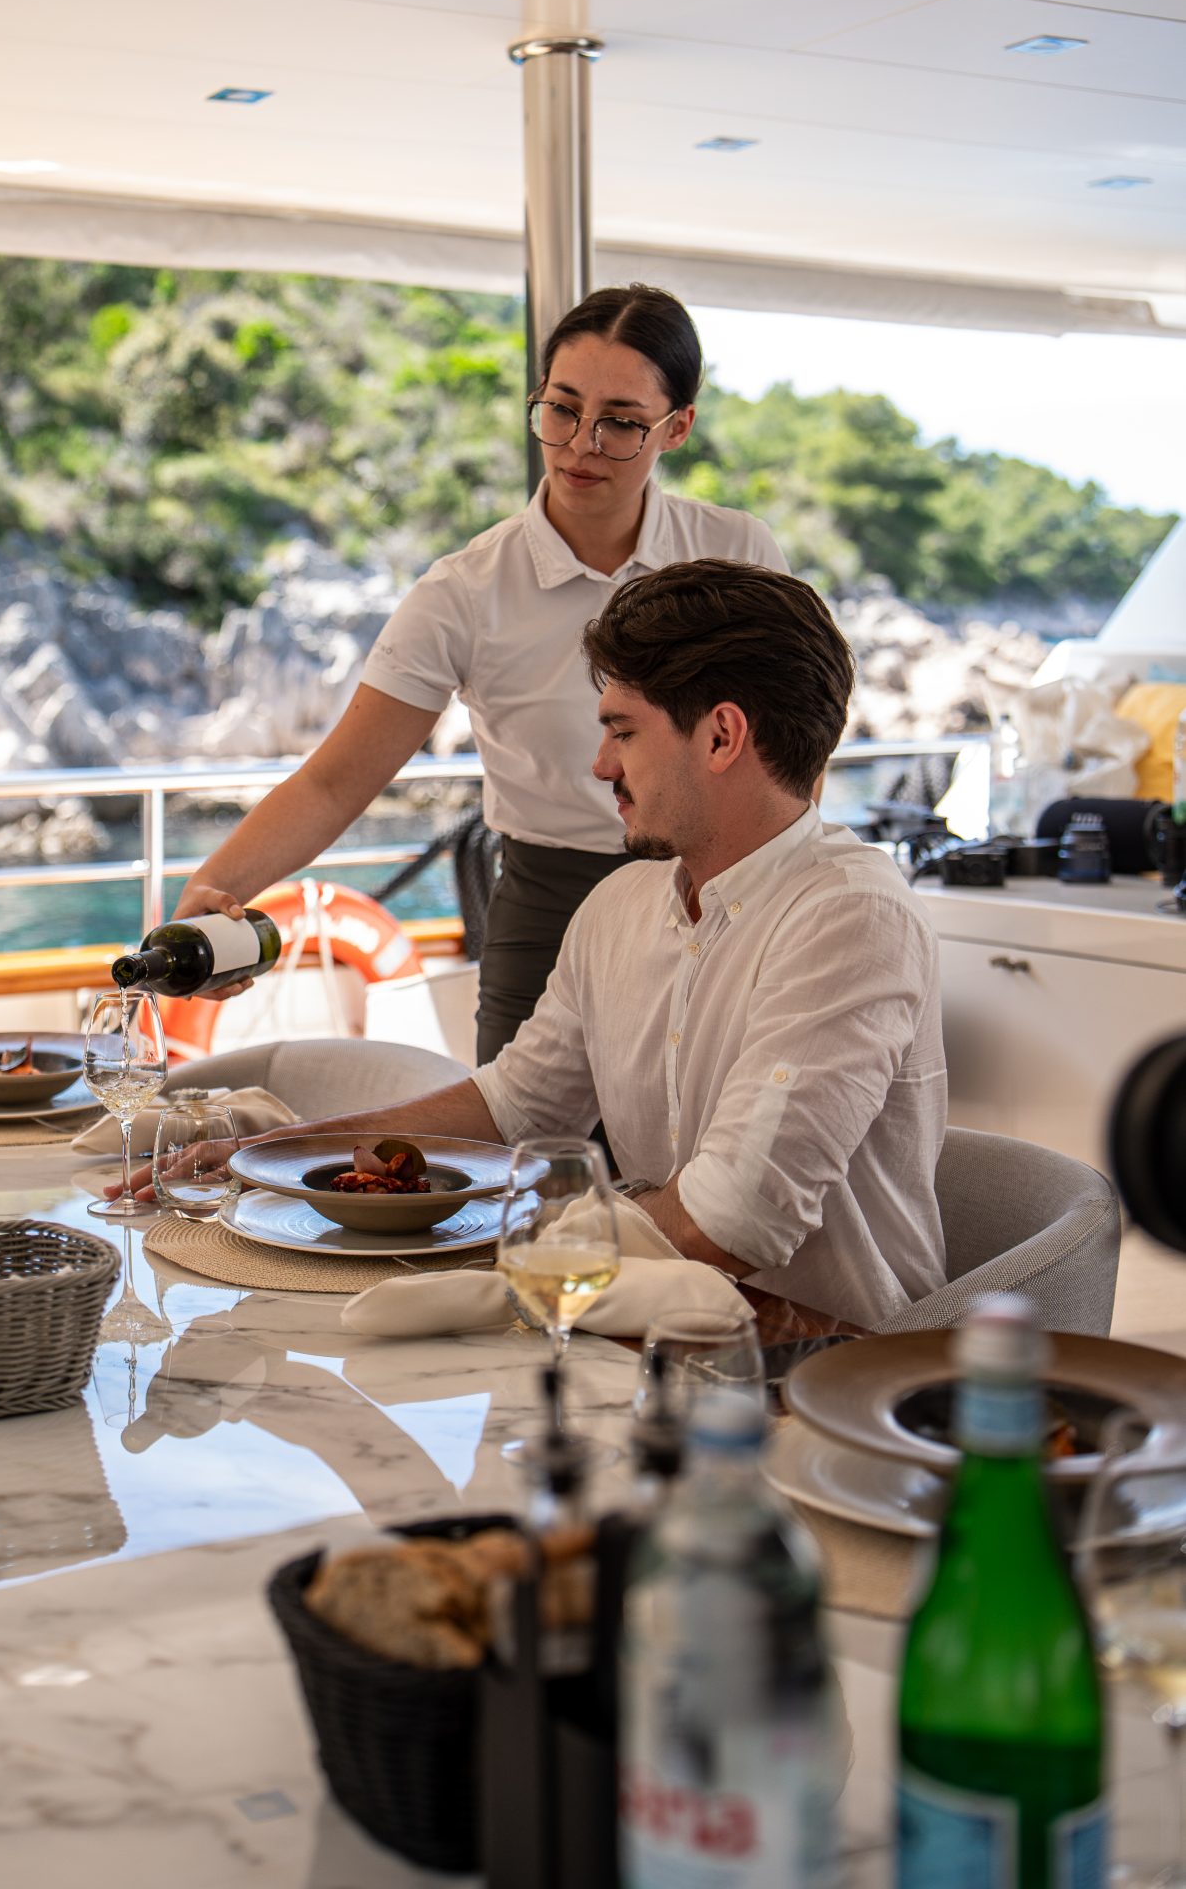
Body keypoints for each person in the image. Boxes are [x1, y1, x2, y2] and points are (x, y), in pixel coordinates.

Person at [229, 562, 947, 1330]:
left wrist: (513, 1282)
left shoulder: (849, 915)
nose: (601, 765)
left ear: (721, 735)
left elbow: (728, 1224)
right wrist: (281, 1157)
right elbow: (517, 1106)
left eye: (622, 731)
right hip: (637, 1333)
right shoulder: (619, 905)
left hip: (819, 1369)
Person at [175, 285, 788, 1060]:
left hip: (722, 900)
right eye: (560, 410)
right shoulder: (463, 591)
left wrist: (772, 901)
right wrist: (212, 890)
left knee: (713, 1160)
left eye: (621, 424)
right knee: (526, 1163)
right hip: (547, 910)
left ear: (676, 429)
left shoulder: (738, 556)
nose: (579, 445)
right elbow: (334, 783)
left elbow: (795, 757)